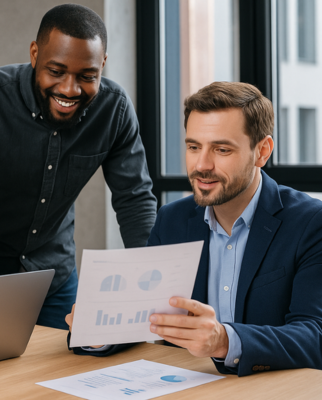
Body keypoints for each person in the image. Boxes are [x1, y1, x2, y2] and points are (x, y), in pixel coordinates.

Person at [66, 81, 322, 376]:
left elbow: (314, 335)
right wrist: (99, 333)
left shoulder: (310, 223)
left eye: (222, 149)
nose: (202, 165)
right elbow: (143, 318)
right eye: (193, 147)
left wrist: (225, 341)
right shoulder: (171, 220)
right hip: (185, 386)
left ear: (262, 152)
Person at [0, 4, 157, 330]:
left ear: (103, 64)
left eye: (87, 76)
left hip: (54, 278)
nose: (69, 89)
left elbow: (135, 199)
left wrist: (151, 283)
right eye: (55, 71)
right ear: (34, 54)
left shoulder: (113, 110)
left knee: (62, 376)